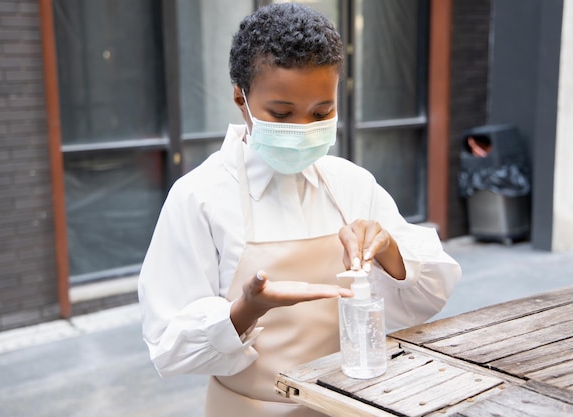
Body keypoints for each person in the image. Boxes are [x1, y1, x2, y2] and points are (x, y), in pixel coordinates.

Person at [138, 3, 461, 416]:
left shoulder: (351, 184)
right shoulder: (199, 197)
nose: (304, 130)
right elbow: (169, 348)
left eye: (321, 113)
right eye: (282, 114)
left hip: (347, 405)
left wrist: (388, 251)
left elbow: (430, 294)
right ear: (241, 97)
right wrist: (247, 308)